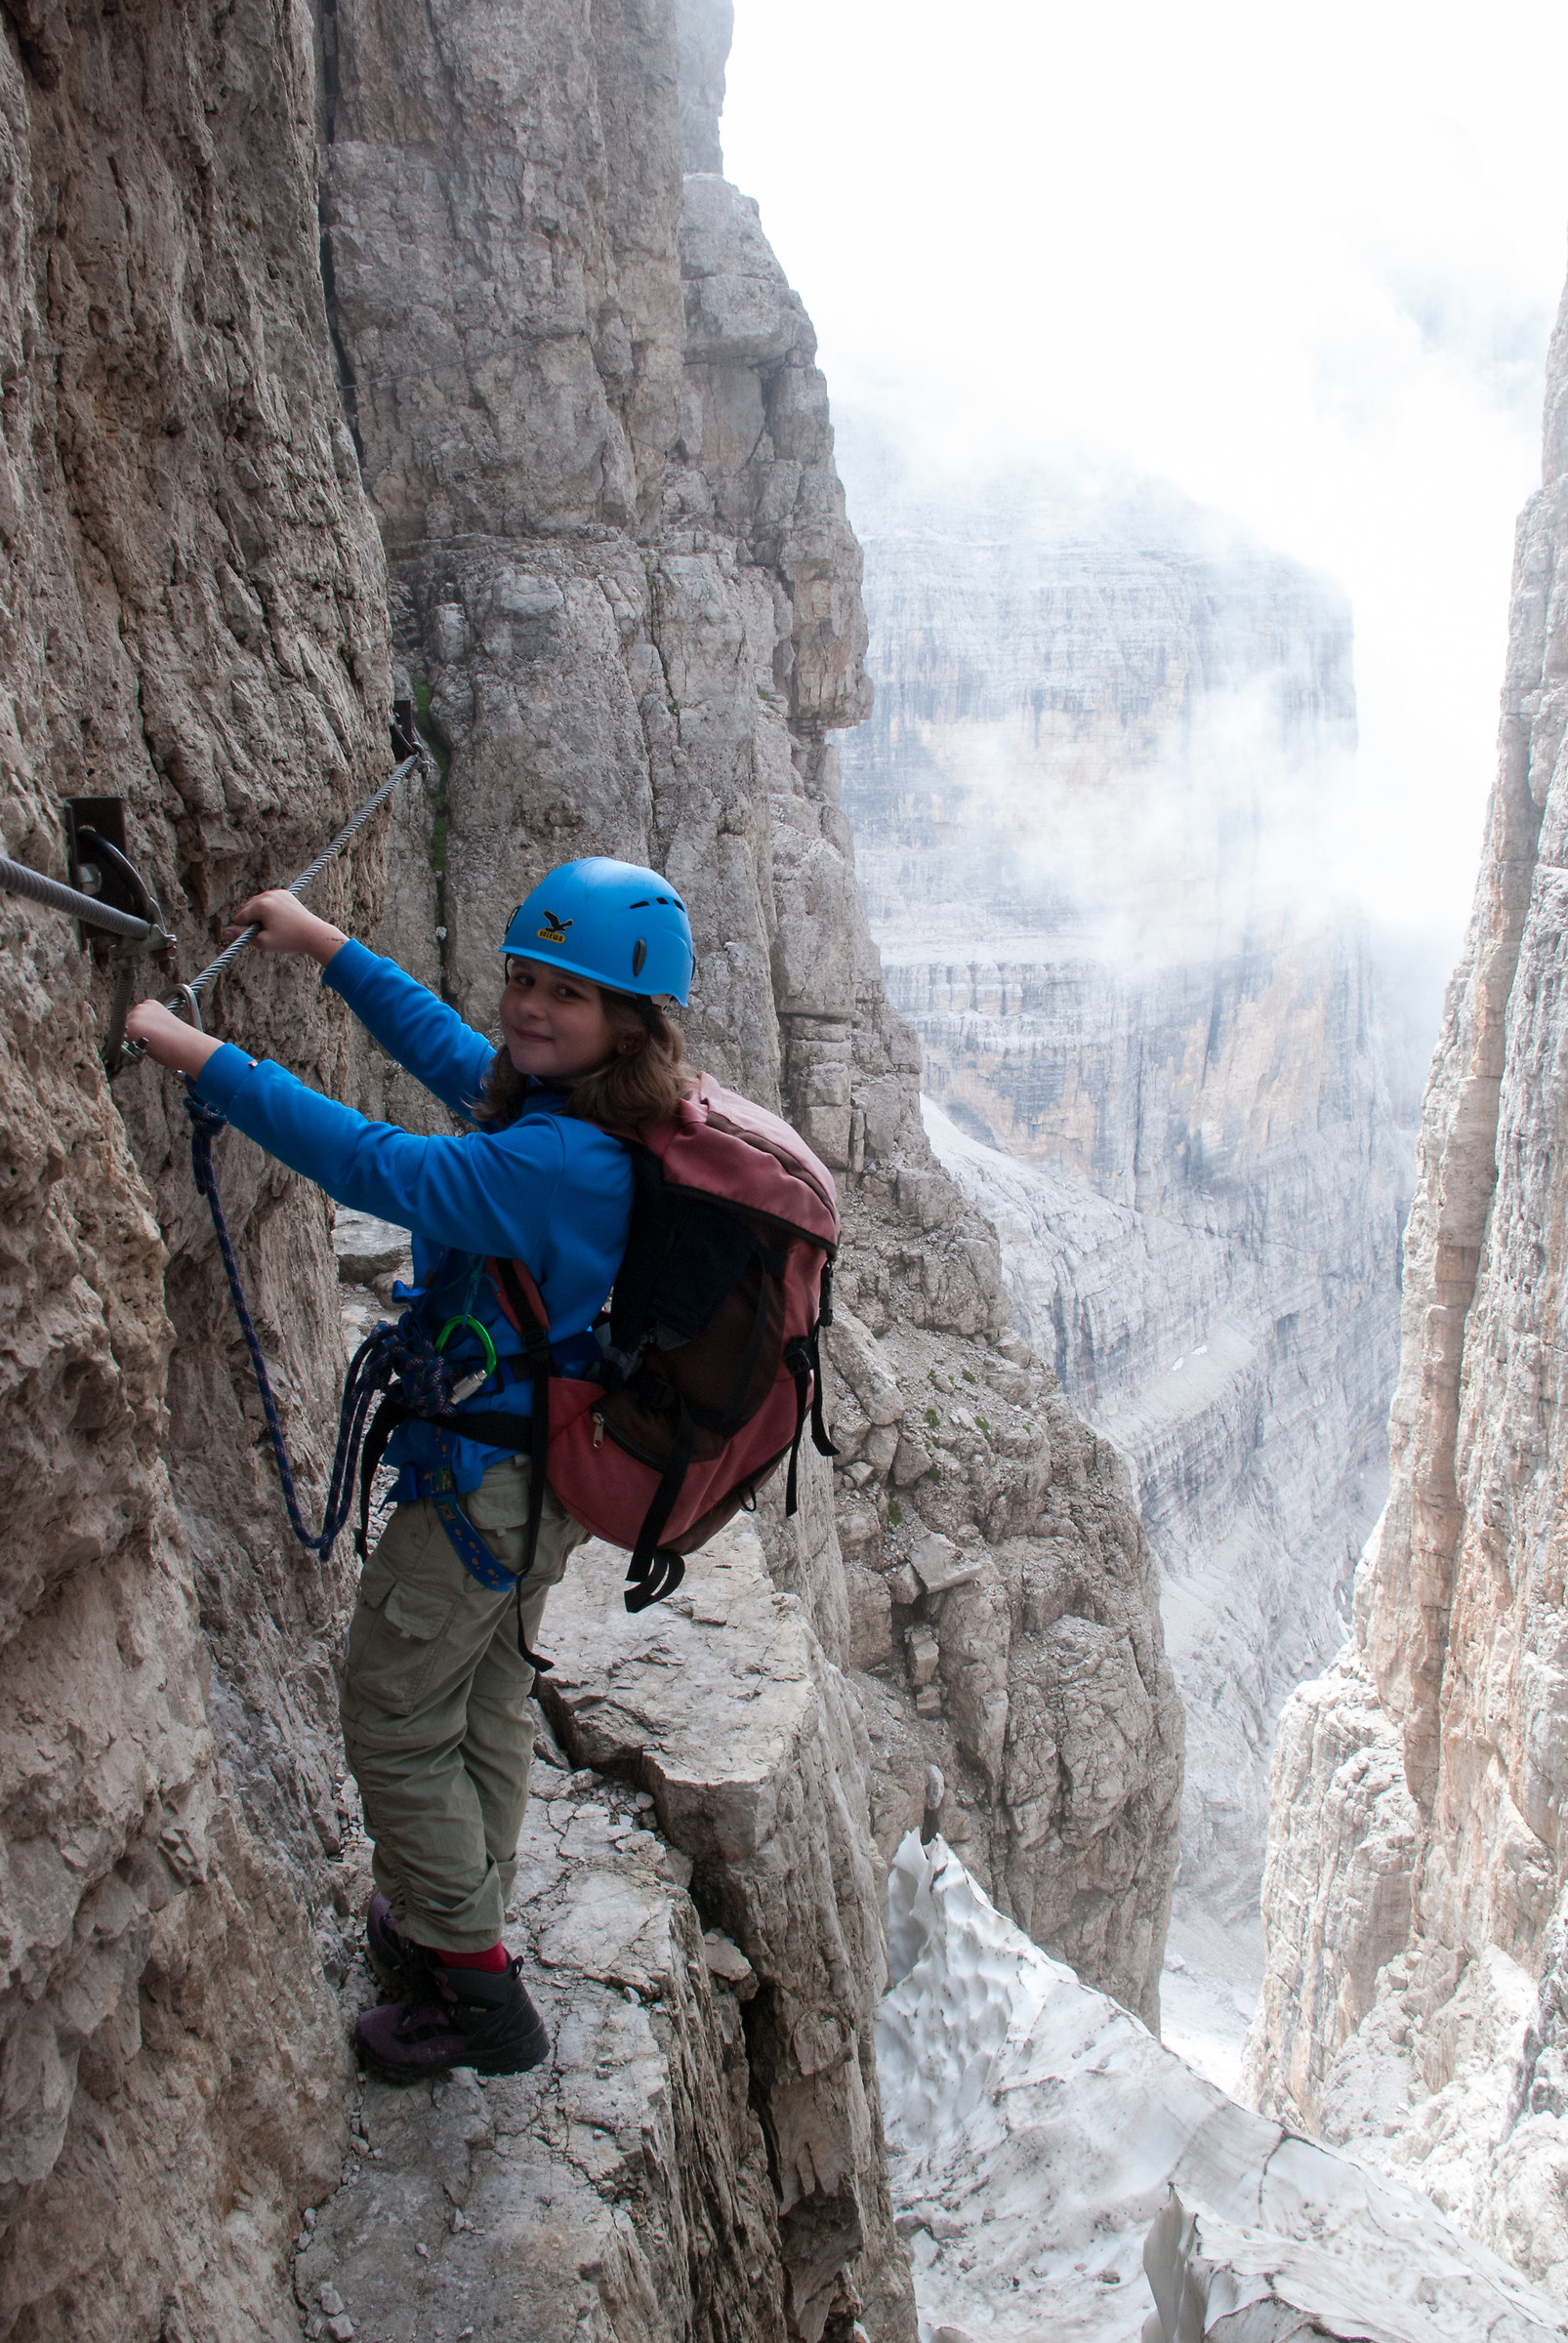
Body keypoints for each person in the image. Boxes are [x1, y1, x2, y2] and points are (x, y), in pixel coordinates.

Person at [124, 857, 697, 2080]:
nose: (530, 1005)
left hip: (489, 1485)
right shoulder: (584, 1116)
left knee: (390, 1714)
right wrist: (325, 947)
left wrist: (199, 1057)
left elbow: (380, 1165)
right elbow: (446, 1050)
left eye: (568, 994)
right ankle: (458, 1916)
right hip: (536, 1475)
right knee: (482, 1700)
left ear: (627, 1024)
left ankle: (475, 1992)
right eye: (523, 977)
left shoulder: (555, 1160)